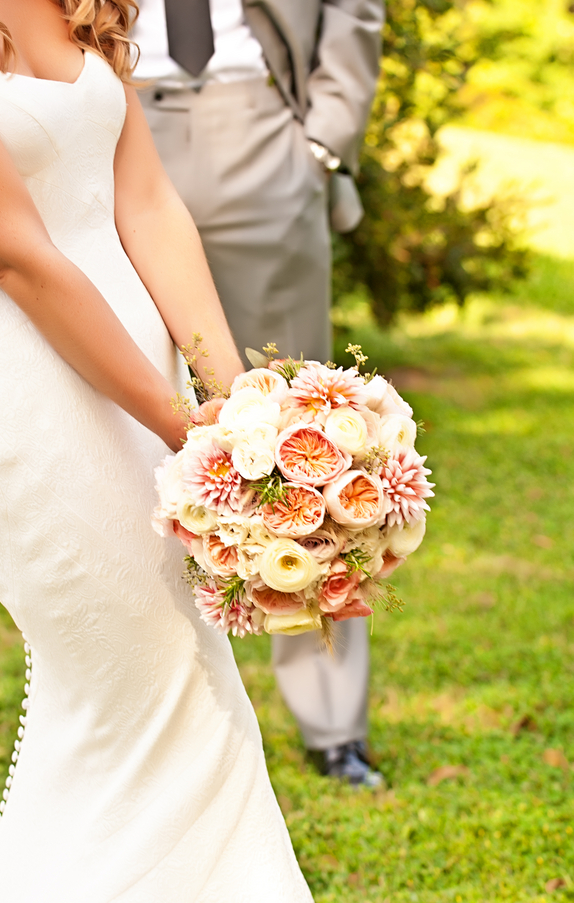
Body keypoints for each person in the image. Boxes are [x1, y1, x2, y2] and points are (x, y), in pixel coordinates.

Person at [0, 1, 314, 900]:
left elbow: (151, 204)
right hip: (22, 384)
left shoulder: (76, 0)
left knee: (188, 665)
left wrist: (238, 406)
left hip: (145, 363)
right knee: (133, 675)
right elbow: (14, 257)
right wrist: (182, 428)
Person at [133, 0, 386, 786]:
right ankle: (145, 722)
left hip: (262, 125)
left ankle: (332, 722)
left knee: (309, 442)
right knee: (124, 428)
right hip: (117, 113)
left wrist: (321, 139)